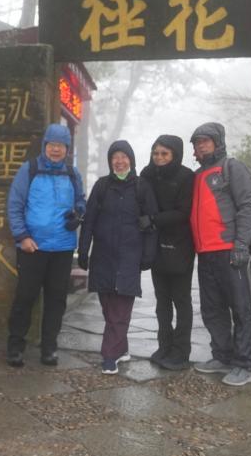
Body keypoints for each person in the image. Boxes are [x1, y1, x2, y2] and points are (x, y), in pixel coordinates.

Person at [6, 124, 85, 368]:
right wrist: (22, 237)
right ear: (44, 146)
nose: (55, 150)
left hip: (62, 248)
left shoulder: (72, 174)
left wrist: (78, 214)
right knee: (25, 297)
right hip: (33, 247)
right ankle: (15, 347)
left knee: (56, 300)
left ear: (67, 149)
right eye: (51, 145)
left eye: (60, 146)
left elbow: (81, 202)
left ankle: (49, 348)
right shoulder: (29, 170)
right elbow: (14, 205)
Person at [78, 140, 157, 375]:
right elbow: (89, 219)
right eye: (115, 157)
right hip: (103, 256)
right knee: (108, 308)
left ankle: (109, 356)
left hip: (129, 257)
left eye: (124, 157)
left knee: (120, 310)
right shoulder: (102, 186)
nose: (120, 161)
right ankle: (121, 348)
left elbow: (151, 224)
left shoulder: (142, 187)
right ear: (110, 161)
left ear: (131, 160)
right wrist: (83, 250)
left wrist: (148, 255)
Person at [189, 122, 251, 387]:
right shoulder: (198, 175)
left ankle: (244, 364)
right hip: (205, 252)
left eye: (205, 141)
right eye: (197, 143)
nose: (200, 146)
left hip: (229, 250)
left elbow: (246, 206)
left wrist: (241, 245)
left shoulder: (232, 168)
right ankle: (222, 355)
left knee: (240, 309)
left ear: (217, 142)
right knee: (212, 308)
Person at [139, 135, 195, 371]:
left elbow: (184, 211)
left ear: (175, 155)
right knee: (162, 300)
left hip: (180, 245)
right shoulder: (147, 174)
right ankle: (164, 345)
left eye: (164, 153)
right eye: (156, 153)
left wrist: (153, 219)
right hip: (156, 245)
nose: (159, 158)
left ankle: (181, 351)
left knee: (181, 300)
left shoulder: (186, 177)